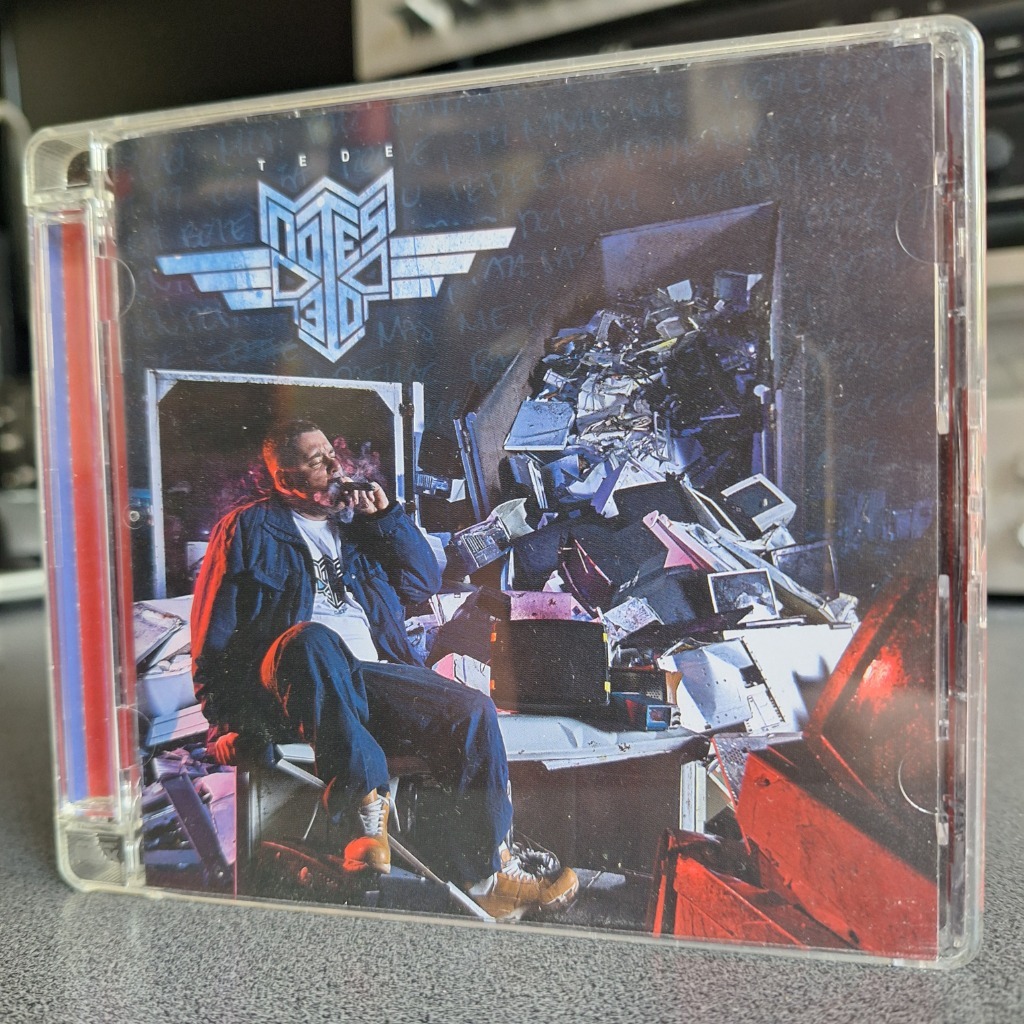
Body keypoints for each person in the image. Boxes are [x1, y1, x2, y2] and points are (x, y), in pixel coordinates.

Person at [190, 418, 577, 920]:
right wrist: (224, 723)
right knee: (313, 639)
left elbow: (423, 582)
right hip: (295, 683)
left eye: (332, 453)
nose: (335, 465)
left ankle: (486, 877)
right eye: (316, 460)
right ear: (285, 477)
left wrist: (387, 519)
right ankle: (365, 817)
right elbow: (213, 638)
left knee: (472, 710)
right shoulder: (247, 529)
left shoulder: (359, 526)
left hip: (371, 678)